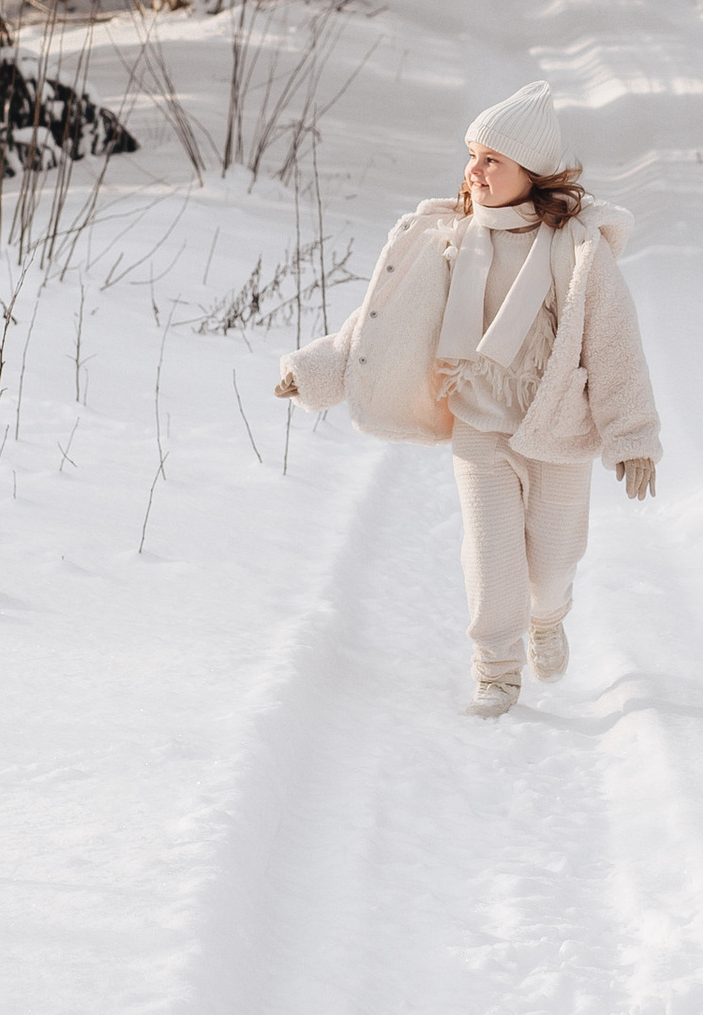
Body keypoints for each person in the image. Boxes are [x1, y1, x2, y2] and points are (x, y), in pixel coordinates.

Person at [275, 80, 661, 714]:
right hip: (477, 417)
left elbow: (614, 341)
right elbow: (383, 321)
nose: (474, 171)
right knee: (492, 549)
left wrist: (632, 435)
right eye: (473, 155)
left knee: (555, 555)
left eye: (492, 160)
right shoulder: (448, 238)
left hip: (555, 422)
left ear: (530, 173)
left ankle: (548, 614)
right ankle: (497, 667)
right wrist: (321, 370)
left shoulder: (576, 247)